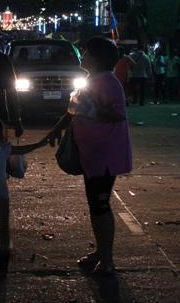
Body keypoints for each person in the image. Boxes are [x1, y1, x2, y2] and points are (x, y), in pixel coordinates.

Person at [49, 37, 132, 277]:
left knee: (100, 205)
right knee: (95, 205)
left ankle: (107, 261)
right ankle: (100, 252)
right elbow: (75, 109)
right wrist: (56, 129)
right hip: (92, 155)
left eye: (85, 52)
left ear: (95, 58)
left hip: (105, 156)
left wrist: (91, 106)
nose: (82, 55)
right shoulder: (92, 80)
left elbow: (117, 114)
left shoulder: (109, 82)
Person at [0, 117, 51, 272]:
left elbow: (22, 149)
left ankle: (2, 263)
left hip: (0, 193)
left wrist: (39, 144)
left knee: (3, 228)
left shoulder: (4, 150)